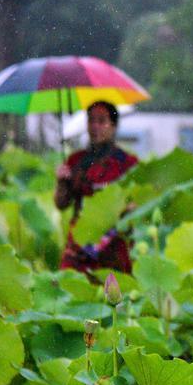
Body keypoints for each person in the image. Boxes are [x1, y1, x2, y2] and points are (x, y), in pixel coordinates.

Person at [55, 101, 138, 274]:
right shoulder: (75, 161)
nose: (95, 127)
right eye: (91, 121)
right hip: (80, 242)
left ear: (113, 126)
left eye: (101, 121)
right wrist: (62, 182)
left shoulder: (127, 164)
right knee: (69, 286)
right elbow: (61, 204)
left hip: (114, 243)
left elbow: (137, 204)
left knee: (115, 292)